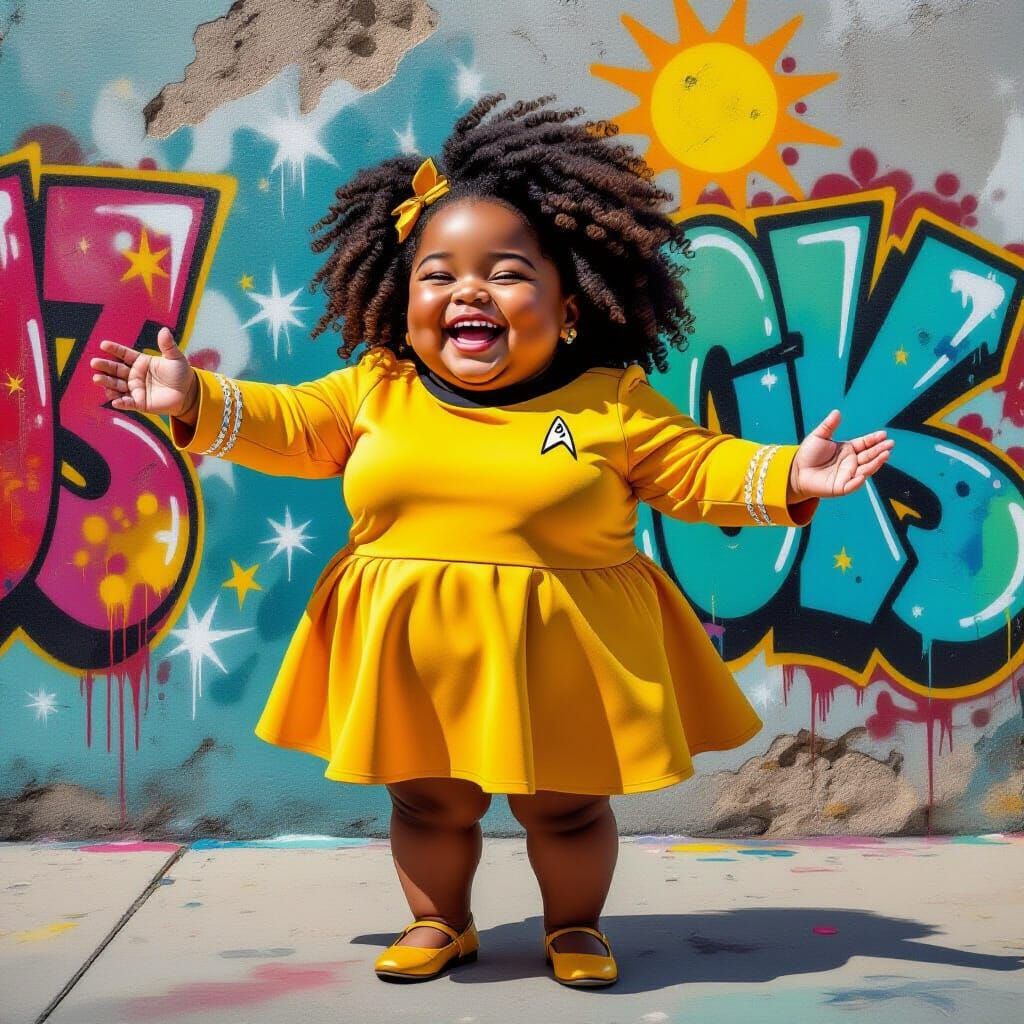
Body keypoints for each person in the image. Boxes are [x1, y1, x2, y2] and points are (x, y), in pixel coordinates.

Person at [89, 93, 893, 988]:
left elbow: (696, 469)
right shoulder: (374, 391)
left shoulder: (607, 403)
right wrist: (194, 398)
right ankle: (441, 924)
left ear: (571, 305)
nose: (469, 291)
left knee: (566, 805)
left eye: (506, 272)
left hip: (564, 652)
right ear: (403, 302)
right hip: (419, 653)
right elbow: (285, 423)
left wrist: (791, 476)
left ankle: (575, 928)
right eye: (439, 275)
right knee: (429, 800)